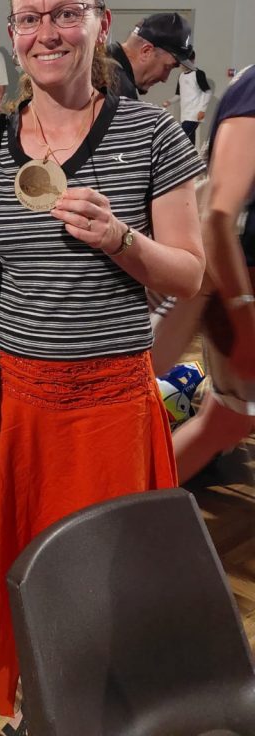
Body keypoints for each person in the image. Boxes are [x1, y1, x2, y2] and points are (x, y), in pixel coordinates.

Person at [0, 0, 206, 724]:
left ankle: (97, 714)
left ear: (101, 23)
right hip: (15, 408)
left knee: (107, 589)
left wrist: (122, 239)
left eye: (66, 13)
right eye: (30, 18)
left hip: (110, 411)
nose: (47, 32)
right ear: (14, 33)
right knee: (21, 581)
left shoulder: (152, 133)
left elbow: (189, 274)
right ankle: (36, 714)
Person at [152, 64, 255, 483]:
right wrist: (245, 320)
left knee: (228, 421)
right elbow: (217, 217)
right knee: (225, 419)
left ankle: (123, 509)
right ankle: (115, 510)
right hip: (235, 277)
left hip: (229, 276)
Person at [108, 12, 196, 99]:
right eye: (167, 67)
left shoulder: (105, 61)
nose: (165, 79)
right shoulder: (116, 86)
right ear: (146, 52)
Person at [162, 50, 212, 146]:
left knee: (183, 138)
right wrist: (169, 101)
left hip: (194, 115)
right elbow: (178, 95)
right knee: (189, 141)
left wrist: (202, 110)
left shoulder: (198, 73)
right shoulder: (181, 76)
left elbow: (207, 92)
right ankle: (192, 155)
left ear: (192, 60)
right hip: (184, 115)